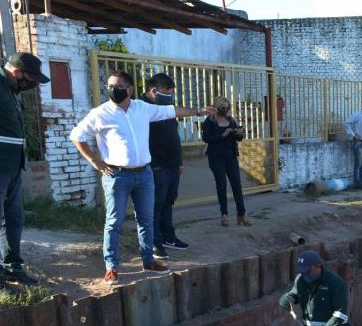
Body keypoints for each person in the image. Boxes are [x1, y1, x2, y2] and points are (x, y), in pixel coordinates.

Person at [71, 70, 213, 285]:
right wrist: (94, 161)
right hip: (117, 176)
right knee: (114, 223)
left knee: (146, 220)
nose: (113, 90)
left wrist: (199, 111)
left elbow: (171, 110)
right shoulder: (100, 113)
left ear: (130, 89)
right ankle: (112, 267)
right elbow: (77, 136)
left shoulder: (142, 108)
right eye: (110, 86)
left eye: (118, 86)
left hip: (144, 174)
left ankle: (148, 260)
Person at [0, 53, 49, 286]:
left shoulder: (10, 89)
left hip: (12, 166)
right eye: (31, 78)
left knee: (14, 218)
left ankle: (12, 266)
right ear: (16, 72)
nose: (34, 84)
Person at [141, 73, 189, 260]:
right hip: (155, 165)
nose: (170, 97)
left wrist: (179, 162)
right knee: (155, 205)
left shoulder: (166, 108)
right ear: (154, 90)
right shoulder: (142, 108)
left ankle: (169, 237)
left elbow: (172, 135)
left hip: (171, 165)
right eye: (167, 93)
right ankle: (155, 243)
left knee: (168, 202)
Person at [201, 97, 250, 227]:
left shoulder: (231, 120)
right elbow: (206, 138)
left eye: (226, 106)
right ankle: (224, 215)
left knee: (236, 185)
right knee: (221, 185)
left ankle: (242, 214)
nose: (224, 109)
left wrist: (239, 133)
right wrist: (223, 135)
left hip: (231, 156)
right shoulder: (209, 122)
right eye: (222, 106)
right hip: (216, 158)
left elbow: (238, 139)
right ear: (216, 107)